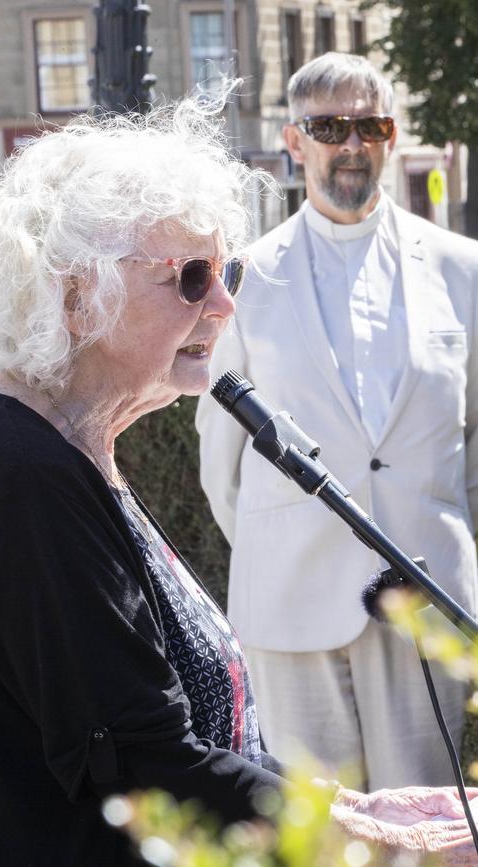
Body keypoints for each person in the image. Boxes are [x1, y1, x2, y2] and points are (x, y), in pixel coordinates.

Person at [0, 89, 478, 867]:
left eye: (226, 268)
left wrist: (353, 804)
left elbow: (168, 733)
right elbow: (144, 759)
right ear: (75, 293)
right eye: (193, 277)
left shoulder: (59, 440)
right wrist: (371, 837)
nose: (226, 302)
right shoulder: (10, 471)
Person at [196, 52, 478, 793]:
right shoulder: (245, 278)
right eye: (329, 125)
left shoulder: (463, 269)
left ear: (390, 136)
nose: (350, 142)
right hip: (288, 607)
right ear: (295, 141)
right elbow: (220, 463)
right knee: (314, 831)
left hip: (426, 604)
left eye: (369, 124)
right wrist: (286, 536)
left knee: (430, 828)